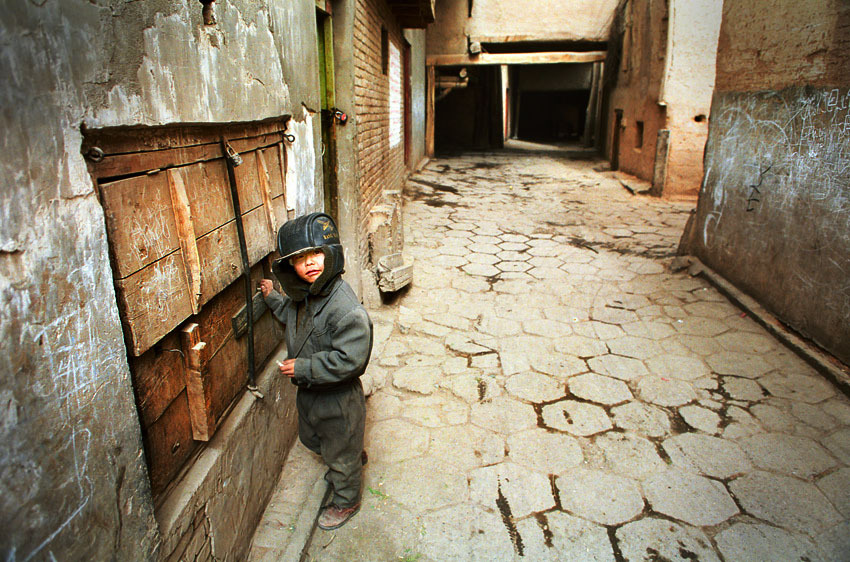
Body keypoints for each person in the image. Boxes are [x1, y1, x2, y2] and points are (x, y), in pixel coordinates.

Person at [259, 212, 373, 531]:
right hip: (311, 394)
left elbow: (352, 360)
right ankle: (349, 455)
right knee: (315, 439)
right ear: (290, 267)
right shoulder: (306, 294)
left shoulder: (345, 309)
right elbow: (294, 315)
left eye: (317, 254)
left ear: (331, 253)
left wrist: (306, 366)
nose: (310, 263)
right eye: (300, 258)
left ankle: (346, 499)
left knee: (339, 453)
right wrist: (271, 298)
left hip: (337, 399)